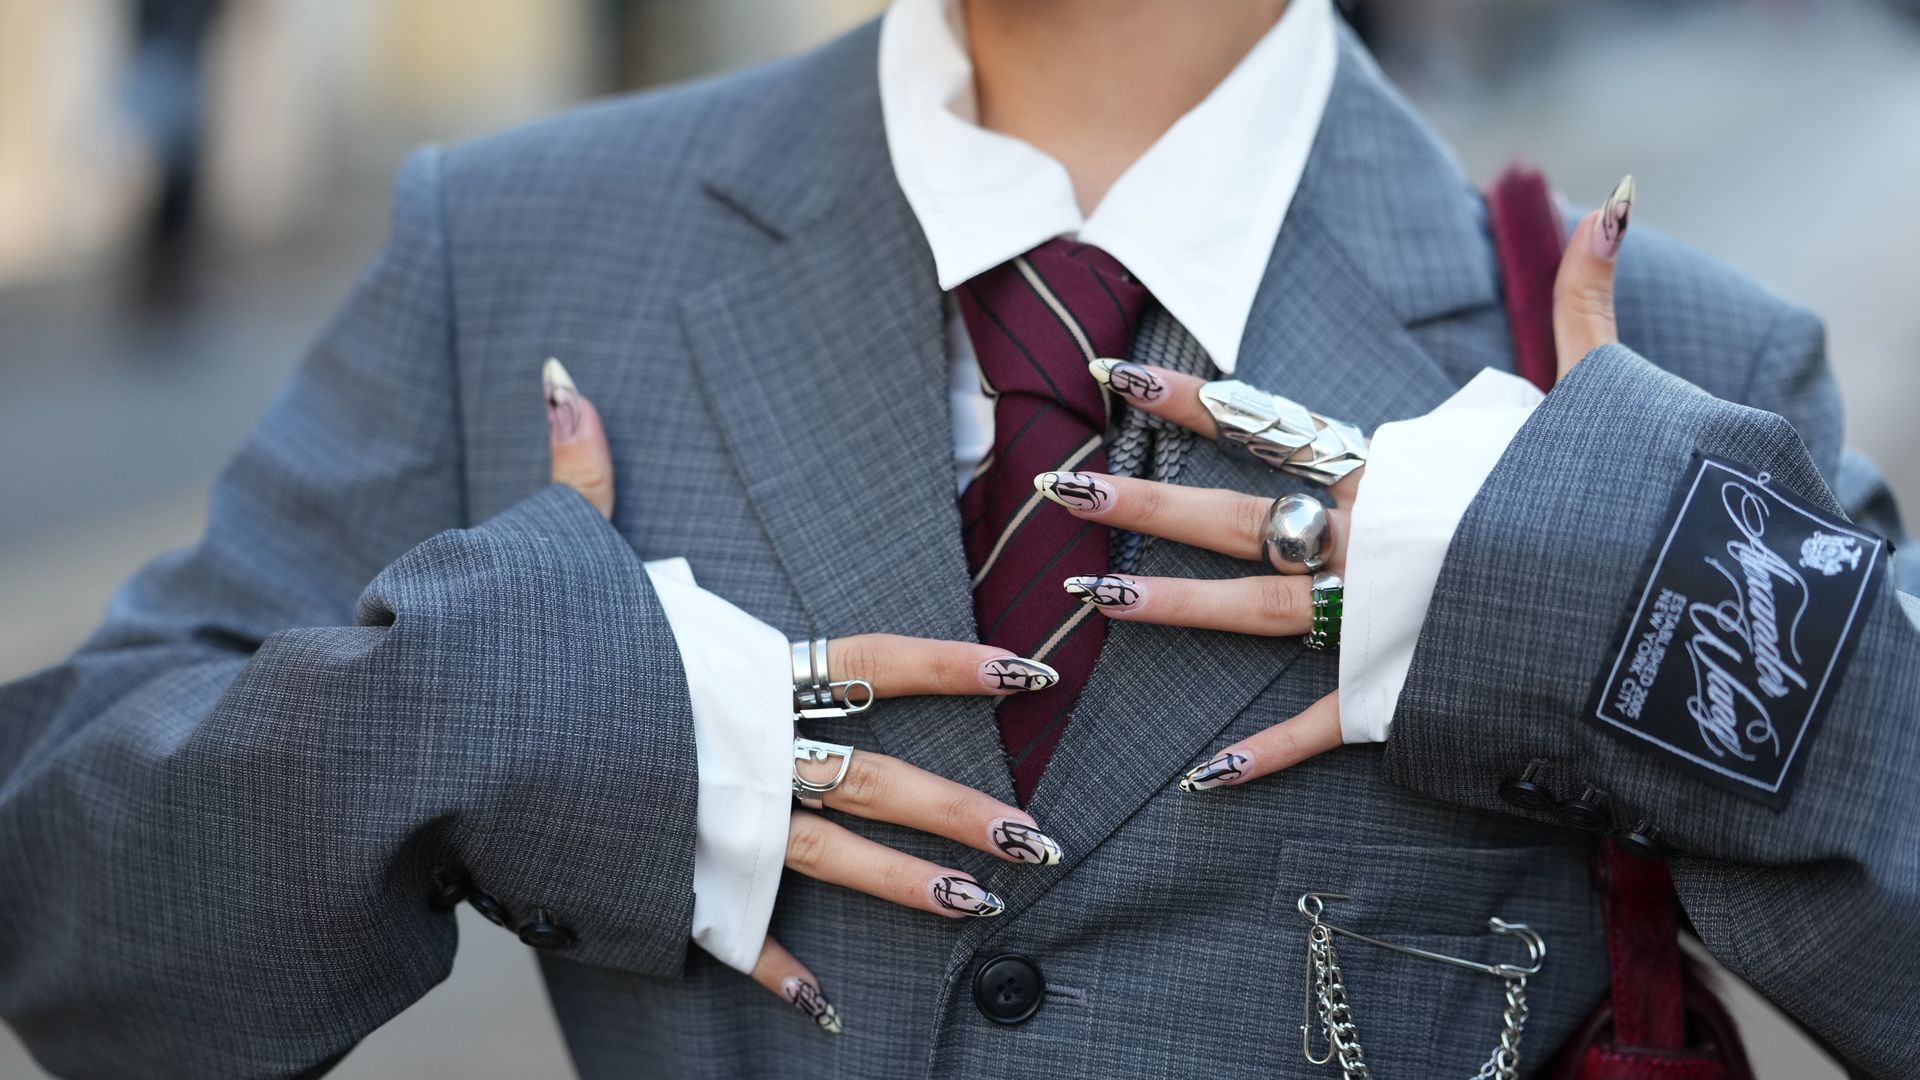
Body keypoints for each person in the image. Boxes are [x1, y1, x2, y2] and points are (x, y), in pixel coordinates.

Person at [3, 1, 1916, 1077]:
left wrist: (1654, 612)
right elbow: (80, 928)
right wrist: (458, 726)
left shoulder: (1667, 361)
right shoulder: (515, 252)